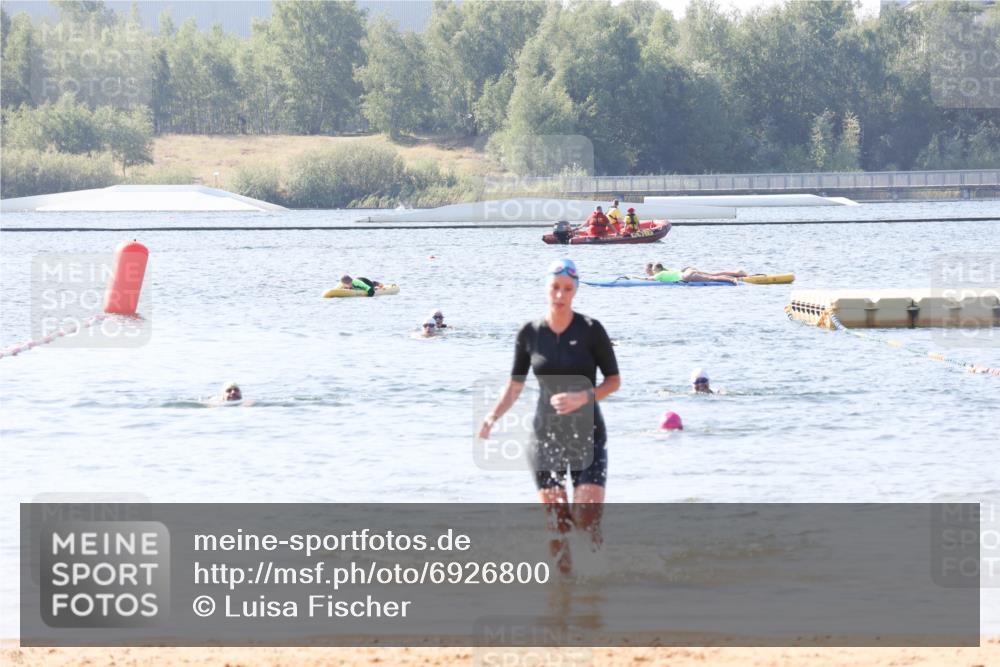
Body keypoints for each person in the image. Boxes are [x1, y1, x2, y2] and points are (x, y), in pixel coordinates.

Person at [478, 259, 621, 574]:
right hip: (546, 437)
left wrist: (583, 397)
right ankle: (562, 588)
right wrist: (491, 417)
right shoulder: (530, 333)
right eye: (555, 287)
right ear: (546, 288)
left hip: (588, 434)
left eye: (567, 289)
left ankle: (599, 576)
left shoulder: (591, 330)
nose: (560, 294)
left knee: (585, 516)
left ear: (575, 291)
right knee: (557, 520)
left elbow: (614, 381)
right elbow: (515, 386)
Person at [649, 263, 748, 285]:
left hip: (687, 275)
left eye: (653, 270)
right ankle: (737, 273)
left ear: (657, 269)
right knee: (712, 275)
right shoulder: (667, 271)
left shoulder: (660, 274)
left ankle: (732, 279)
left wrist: (633, 276)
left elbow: (647, 279)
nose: (653, 272)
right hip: (687, 271)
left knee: (712, 277)